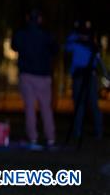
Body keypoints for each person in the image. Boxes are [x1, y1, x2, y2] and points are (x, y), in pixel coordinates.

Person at [10, 8, 58, 147]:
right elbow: (55, 50)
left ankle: (33, 137)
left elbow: (14, 46)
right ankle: (50, 137)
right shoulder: (46, 35)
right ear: (40, 20)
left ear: (27, 19)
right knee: (46, 108)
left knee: (30, 107)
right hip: (43, 76)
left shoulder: (21, 34)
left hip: (27, 75)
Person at [65, 21, 104, 140]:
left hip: (84, 77)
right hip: (87, 76)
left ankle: (81, 131)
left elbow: (67, 46)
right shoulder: (91, 45)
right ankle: (94, 132)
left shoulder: (77, 44)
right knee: (89, 105)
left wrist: (74, 34)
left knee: (82, 104)